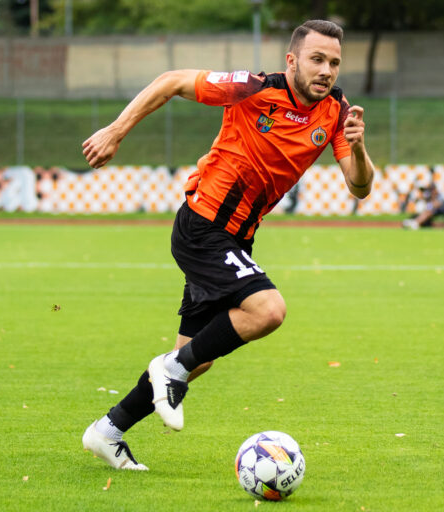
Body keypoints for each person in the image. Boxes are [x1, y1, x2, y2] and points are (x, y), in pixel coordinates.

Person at [80, 19, 375, 470]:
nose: (326, 70)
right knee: (268, 310)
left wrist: (358, 148)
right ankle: (169, 370)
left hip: (238, 238)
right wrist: (116, 131)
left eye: (334, 62)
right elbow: (171, 81)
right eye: (317, 59)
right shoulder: (253, 88)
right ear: (292, 60)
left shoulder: (336, 111)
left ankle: (108, 430)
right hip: (203, 226)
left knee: (196, 357)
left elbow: (359, 187)